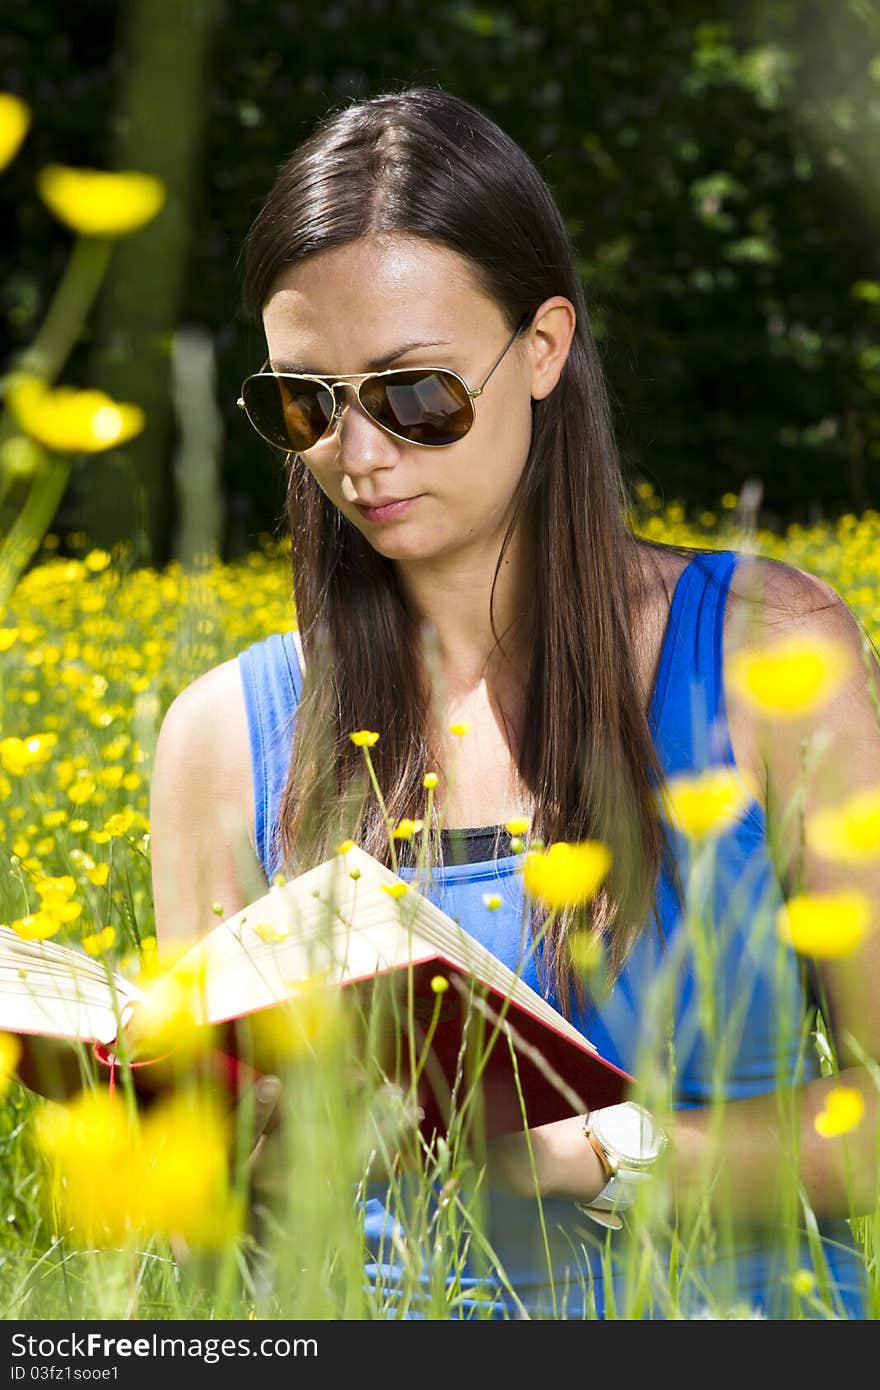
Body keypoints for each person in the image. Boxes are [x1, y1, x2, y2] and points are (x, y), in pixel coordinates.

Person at [148, 84, 880, 1319]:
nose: (360, 456)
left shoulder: (766, 653)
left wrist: (592, 1153)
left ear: (541, 348)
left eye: (414, 394)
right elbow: (214, 1242)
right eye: (304, 404)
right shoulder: (224, 735)